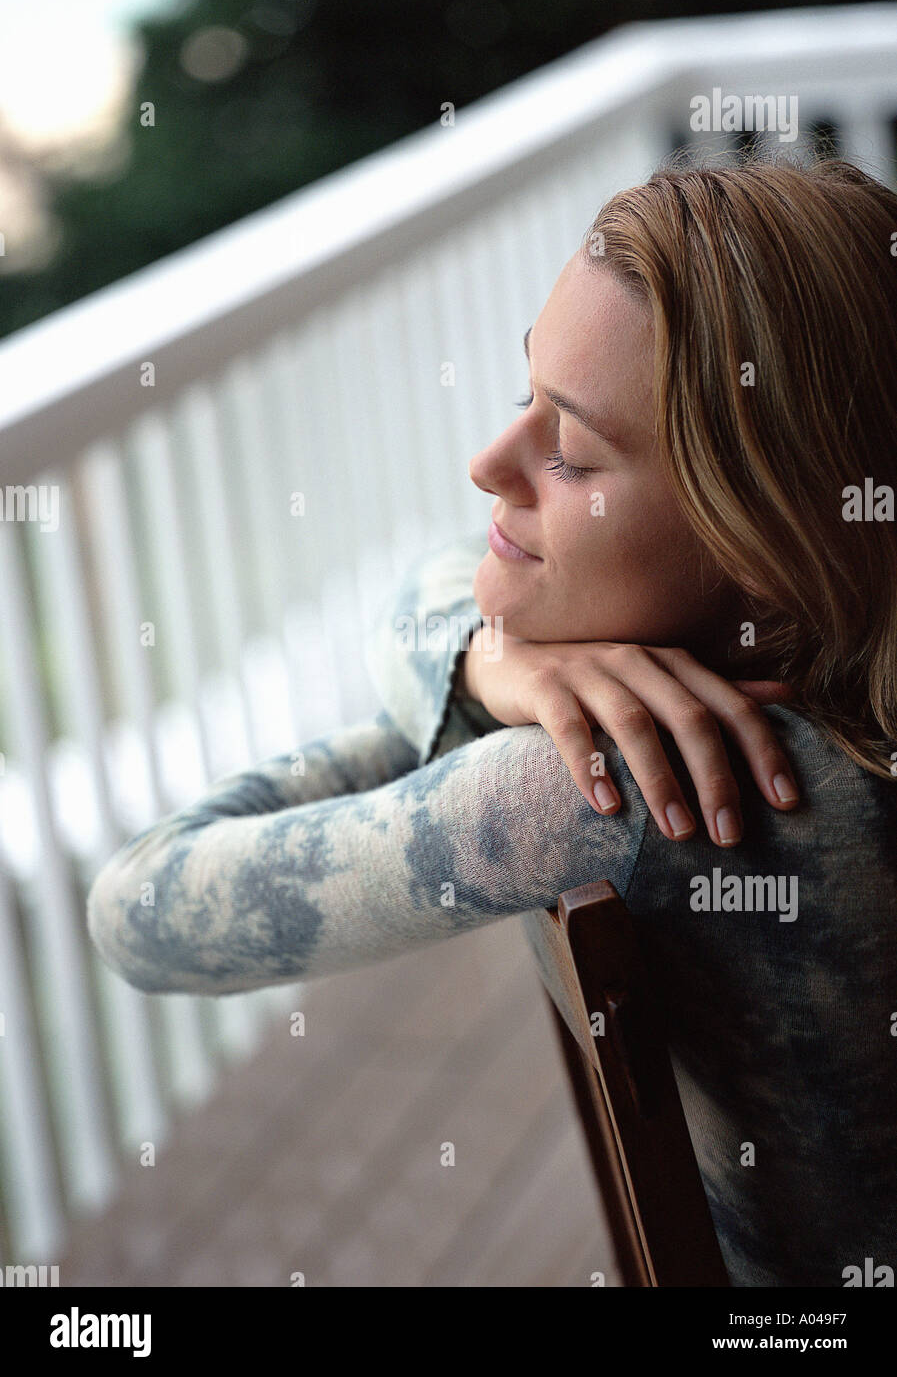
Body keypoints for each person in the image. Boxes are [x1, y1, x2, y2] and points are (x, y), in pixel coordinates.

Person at [87, 154, 897, 1288]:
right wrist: (492, 658)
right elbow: (444, 576)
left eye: (569, 452)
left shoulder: (620, 784)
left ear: (761, 550)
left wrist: (477, 665)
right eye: (527, 397)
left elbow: (137, 905)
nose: (487, 464)